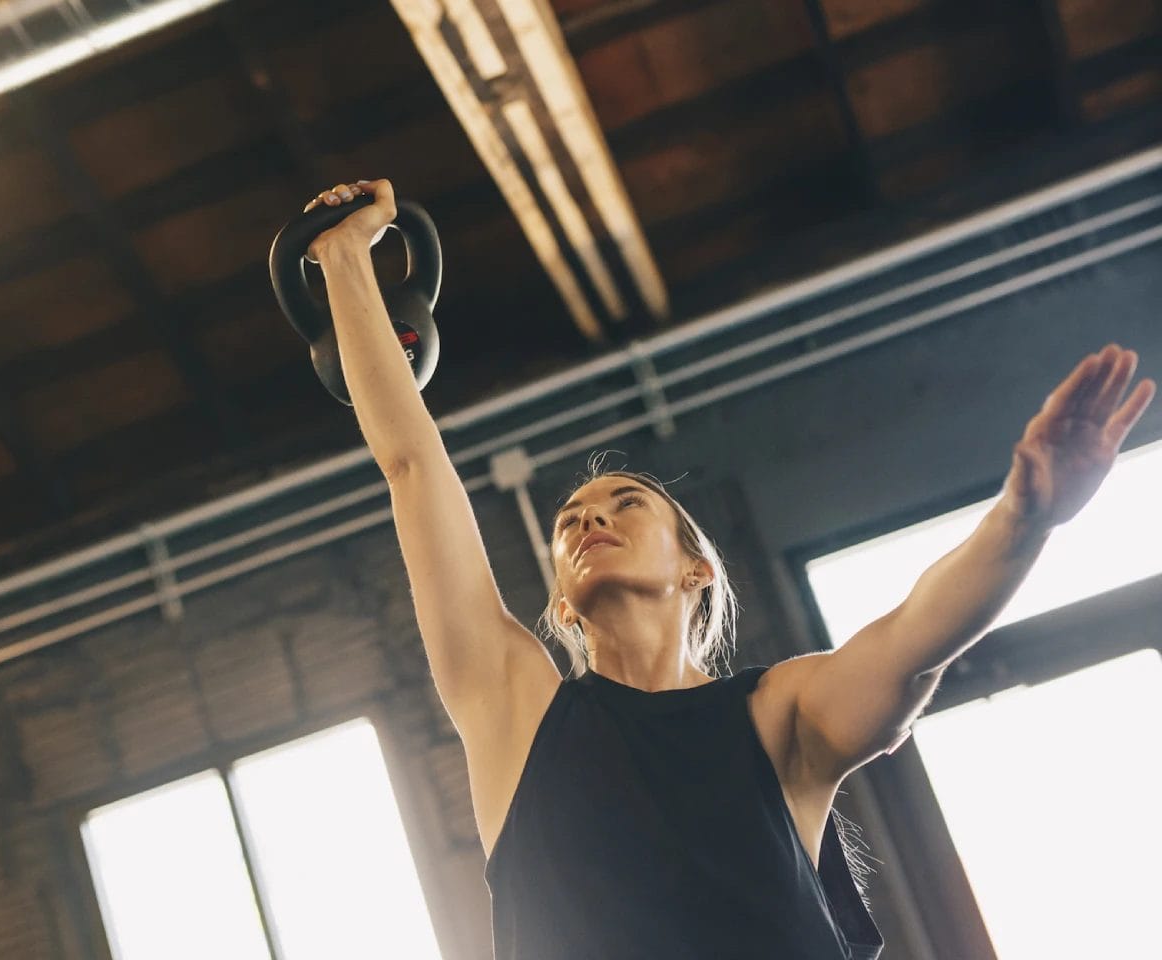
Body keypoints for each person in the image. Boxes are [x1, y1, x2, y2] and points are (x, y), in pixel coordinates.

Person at [304, 178, 1155, 959]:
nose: (590, 519)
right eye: (569, 521)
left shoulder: (780, 715)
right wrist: (344, 256)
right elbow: (412, 464)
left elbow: (912, 644)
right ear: (561, 605)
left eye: (626, 504)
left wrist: (1024, 518)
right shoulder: (513, 709)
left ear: (697, 570)